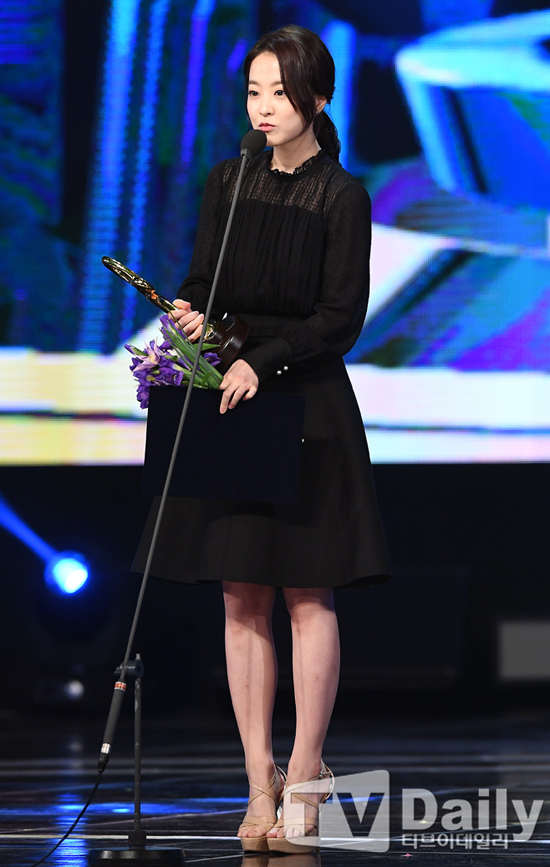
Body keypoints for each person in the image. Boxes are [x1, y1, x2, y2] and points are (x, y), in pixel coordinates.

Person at [134, 24, 391, 854]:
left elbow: (339, 319)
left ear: (318, 97)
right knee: (239, 595)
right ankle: (258, 780)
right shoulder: (230, 178)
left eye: (280, 92)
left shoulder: (342, 196)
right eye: (254, 92)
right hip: (232, 402)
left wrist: (263, 359)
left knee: (307, 594)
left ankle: (309, 772)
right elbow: (205, 278)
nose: (264, 107)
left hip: (304, 404)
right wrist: (190, 313)